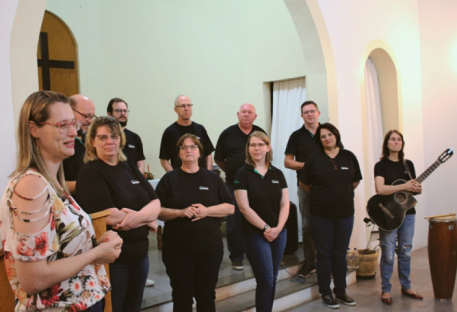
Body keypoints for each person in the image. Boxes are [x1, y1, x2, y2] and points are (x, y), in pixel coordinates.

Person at [0, 91, 122, 312]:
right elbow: (33, 279)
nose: (73, 132)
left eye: (73, 124)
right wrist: (97, 253)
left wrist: (98, 242)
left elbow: (61, 249)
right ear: (33, 129)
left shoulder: (52, 183)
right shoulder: (31, 185)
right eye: (62, 125)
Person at [76, 116, 161, 312]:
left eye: (114, 136)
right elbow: (111, 217)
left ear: (120, 139)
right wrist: (148, 219)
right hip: (114, 263)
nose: (109, 142)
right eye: (103, 137)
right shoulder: (90, 173)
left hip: (140, 257)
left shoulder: (129, 168)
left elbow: (155, 202)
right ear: (92, 141)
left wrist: (142, 218)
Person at [155, 134, 234, 312]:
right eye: (183, 147)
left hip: (209, 249)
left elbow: (230, 208)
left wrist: (207, 211)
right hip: (177, 250)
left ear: (200, 152)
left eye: (193, 147)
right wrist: (180, 212)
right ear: (178, 153)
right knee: (182, 298)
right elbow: (155, 210)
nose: (188, 150)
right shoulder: (169, 179)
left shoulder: (212, 178)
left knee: (206, 296)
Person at [299, 123, 362, 309]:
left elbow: (355, 180)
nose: (327, 138)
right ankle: (326, 293)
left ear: (336, 135)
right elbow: (304, 184)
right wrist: (322, 195)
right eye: (323, 136)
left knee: (340, 254)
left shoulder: (349, 157)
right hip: (321, 216)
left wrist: (341, 193)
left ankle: (341, 292)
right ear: (320, 140)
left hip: (345, 215)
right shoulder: (314, 159)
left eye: (330, 135)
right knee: (324, 255)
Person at [234, 131, 289, 312]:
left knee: (272, 279)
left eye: (260, 144)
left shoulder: (278, 173)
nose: (256, 148)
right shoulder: (243, 174)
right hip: (255, 234)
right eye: (252, 145)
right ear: (248, 149)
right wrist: (267, 228)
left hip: (279, 233)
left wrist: (278, 228)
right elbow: (244, 208)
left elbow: (285, 204)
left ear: (268, 147)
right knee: (265, 279)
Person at [214, 103, 266, 270]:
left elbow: (266, 156)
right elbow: (219, 159)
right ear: (238, 114)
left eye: (250, 112)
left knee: (256, 219)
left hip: (256, 185)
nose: (246, 115)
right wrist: (232, 171)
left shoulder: (260, 133)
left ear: (255, 116)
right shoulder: (227, 134)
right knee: (234, 221)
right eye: (243, 112)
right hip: (233, 185)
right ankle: (237, 256)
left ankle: (256, 252)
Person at [374, 130, 423, 305]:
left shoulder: (408, 164)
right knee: (388, 253)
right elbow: (380, 189)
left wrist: (417, 188)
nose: (396, 142)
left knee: (406, 252)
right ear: (387, 143)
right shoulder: (381, 165)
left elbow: (415, 188)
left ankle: (406, 286)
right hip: (388, 215)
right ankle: (386, 289)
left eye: (399, 139)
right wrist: (404, 185)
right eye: (392, 139)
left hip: (408, 213)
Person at [284, 100, 320, 278]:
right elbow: (287, 161)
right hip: (305, 187)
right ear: (302, 116)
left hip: (327, 189)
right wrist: (309, 166)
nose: (309, 114)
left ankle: (326, 260)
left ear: (318, 113)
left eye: (312, 111)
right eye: (306, 112)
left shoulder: (327, 132)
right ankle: (310, 261)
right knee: (307, 226)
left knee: (328, 224)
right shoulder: (296, 136)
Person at [159, 95, 214, 172]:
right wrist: (173, 177)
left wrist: (208, 174)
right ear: (175, 110)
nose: (186, 108)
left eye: (189, 105)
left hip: (201, 176)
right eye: (182, 106)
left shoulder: (200, 129)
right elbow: (164, 160)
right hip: (180, 178)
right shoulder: (169, 132)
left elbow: (208, 154)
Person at [63, 94, 96, 199]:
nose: (90, 121)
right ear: (70, 111)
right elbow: (52, 185)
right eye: (86, 116)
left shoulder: (91, 140)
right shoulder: (61, 143)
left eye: (92, 117)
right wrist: (92, 184)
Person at [107, 97, 146, 173]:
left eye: (125, 111)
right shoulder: (105, 137)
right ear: (109, 114)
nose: (123, 113)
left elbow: (140, 163)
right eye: (118, 110)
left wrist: (137, 179)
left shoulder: (135, 137)